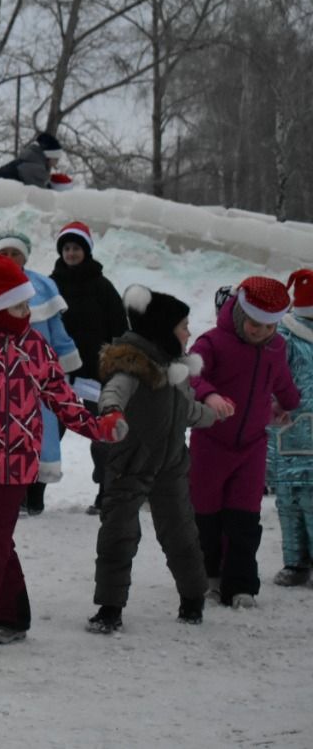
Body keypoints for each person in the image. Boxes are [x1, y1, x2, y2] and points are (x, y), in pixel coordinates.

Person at [0, 254, 126, 650]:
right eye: (20, 305)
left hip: (17, 463)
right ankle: (13, 616)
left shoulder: (34, 347)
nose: (27, 312)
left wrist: (99, 426)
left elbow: (62, 398)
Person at [88, 285, 221, 634]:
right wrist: (112, 413)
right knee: (119, 533)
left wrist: (213, 415)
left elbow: (186, 410)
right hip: (130, 463)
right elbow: (113, 393)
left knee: (181, 533)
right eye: (183, 326)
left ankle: (193, 598)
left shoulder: (175, 370)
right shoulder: (132, 368)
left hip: (172, 465)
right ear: (163, 330)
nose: (189, 332)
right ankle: (110, 607)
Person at [190, 276, 300, 608]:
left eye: (270, 327)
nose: (262, 333)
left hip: (252, 446)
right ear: (239, 313)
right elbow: (191, 374)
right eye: (255, 325)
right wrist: (208, 396)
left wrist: (287, 404)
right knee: (206, 515)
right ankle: (208, 575)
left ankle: (241, 585)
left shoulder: (275, 346)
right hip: (211, 443)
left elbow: (280, 379)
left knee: (244, 519)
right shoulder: (212, 342)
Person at [0, 230, 81, 515]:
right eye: (3, 253)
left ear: (25, 256)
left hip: (39, 374)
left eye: (14, 253)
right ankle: (14, 491)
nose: (8, 258)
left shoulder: (43, 286)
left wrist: (67, 366)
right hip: (0, 374)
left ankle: (36, 490)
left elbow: (58, 330)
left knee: (42, 433)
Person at [51, 221, 129, 513]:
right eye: (67, 248)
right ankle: (32, 492)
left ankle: (107, 491)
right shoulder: (51, 284)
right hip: (57, 373)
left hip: (98, 373)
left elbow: (119, 329)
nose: (71, 253)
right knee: (48, 431)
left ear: (86, 251)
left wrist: (115, 364)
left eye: (76, 248)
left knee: (102, 432)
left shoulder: (102, 286)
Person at [268, 270, 313, 586]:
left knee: (300, 497)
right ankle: (294, 561)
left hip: (287, 426)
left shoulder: (280, 336)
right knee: (289, 496)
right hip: (287, 426)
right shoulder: (283, 337)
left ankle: (297, 563)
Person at [0, 132, 64, 189]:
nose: (56, 164)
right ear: (49, 157)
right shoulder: (36, 167)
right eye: (56, 159)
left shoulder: (29, 160)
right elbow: (40, 194)